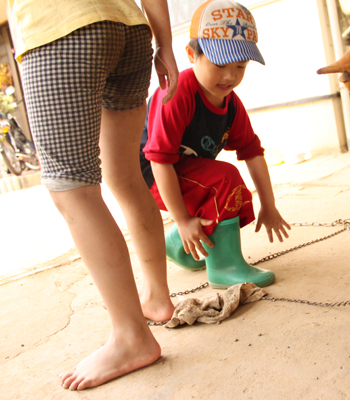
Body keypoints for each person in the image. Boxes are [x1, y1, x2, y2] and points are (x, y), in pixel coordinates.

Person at [9, 0, 179, 390]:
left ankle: (131, 337)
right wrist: (164, 43)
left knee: (72, 187)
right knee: (125, 177)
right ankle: (155, 298)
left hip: (59, 28)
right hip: (131, 28)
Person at [140, 0, 290, 289]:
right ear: (191, 54)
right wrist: (182, 219)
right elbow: (159, 159)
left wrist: (268, 205)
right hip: (152, 172)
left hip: (183, 168)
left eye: (240, 66)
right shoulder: (177, 92)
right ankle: (224, 266)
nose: (230, 76)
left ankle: (179, 247)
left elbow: (253, 153)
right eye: (220, 63)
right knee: (224, 179)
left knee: (214, 179)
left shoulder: (231, 104)